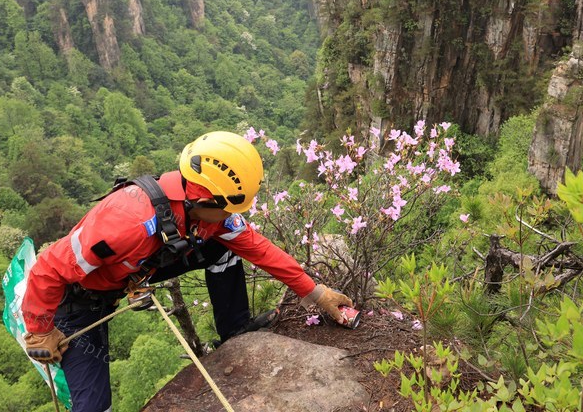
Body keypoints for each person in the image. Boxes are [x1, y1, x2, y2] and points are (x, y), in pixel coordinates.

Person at [21, 131, 353, 412]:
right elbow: (48, 270)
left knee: (226, 246)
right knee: (95, 405)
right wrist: (40, 330)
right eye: (225, 210)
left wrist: (315, 293)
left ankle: (234, 328)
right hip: (76, 304)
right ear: (204, 200)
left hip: (127, 275)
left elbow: (260, 249)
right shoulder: (125, 224)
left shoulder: (202, 214)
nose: (230, 217)